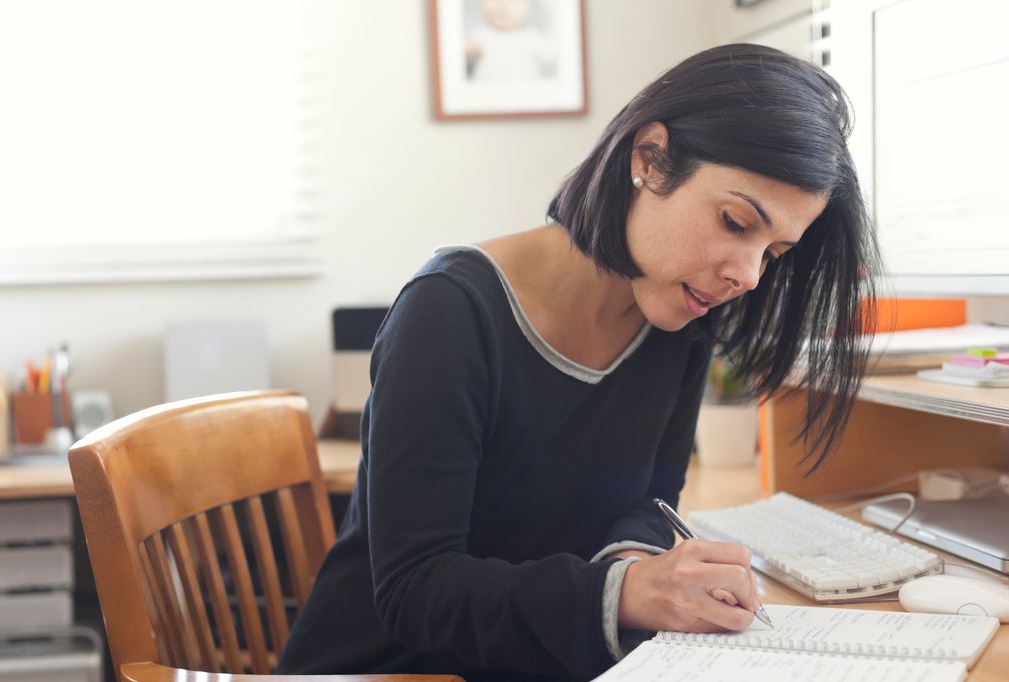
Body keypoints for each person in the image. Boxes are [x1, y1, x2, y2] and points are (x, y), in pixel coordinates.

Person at [278, 43, 879, 681]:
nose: (748, 275)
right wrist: (626, 593)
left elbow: (653, 498)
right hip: (392, 669)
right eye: (735, 222)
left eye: (774, 252)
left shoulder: (678, 312)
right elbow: (415, 592)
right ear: (650, 158)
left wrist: (632, 566)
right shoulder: (450, 312)